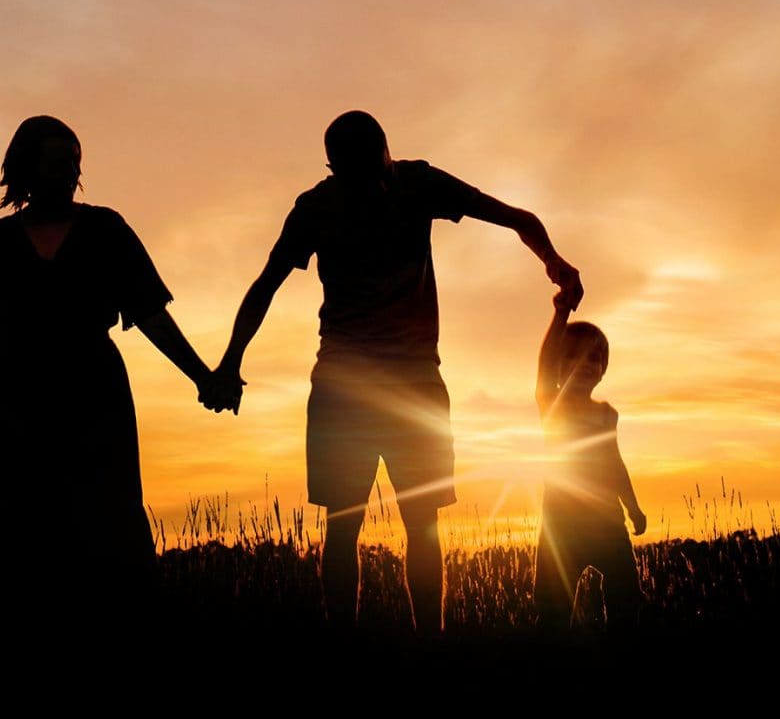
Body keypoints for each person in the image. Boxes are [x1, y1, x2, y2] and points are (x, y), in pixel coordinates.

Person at [204, 108, 581, 631]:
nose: (372, 183)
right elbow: (266, 284)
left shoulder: (418, 183)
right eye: (356, 173)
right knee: (343, 524)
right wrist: (229, 361)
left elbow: (516, 217)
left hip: (415, 381)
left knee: (421, 522)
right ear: (333, 167)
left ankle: (431, 642)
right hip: (343, 383)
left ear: (387, 149)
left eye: (377, 167)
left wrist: (554, 261)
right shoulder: (316, 208)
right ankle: (347, 645)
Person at [0, 115, 219, 619]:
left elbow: (150, 315)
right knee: (4, 525)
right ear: (25, 169)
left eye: (74, 163)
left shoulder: (107, 229)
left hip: (92, 390)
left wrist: (202, 376)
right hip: (12, 392)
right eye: (57, 162)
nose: (68, 173)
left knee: (102, 522)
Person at [533, 286, 646, 630]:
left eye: (594, 358)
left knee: (626, 599)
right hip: (562, 523)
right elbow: (545, 364)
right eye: (574, 357)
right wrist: (560, 315)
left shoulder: (606, 415)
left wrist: (633, 506)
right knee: (552, 605)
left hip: (607, 521)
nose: (585, 365)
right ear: (560, 367)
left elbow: (615, 463)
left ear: (603, 368)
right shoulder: (553, 405)